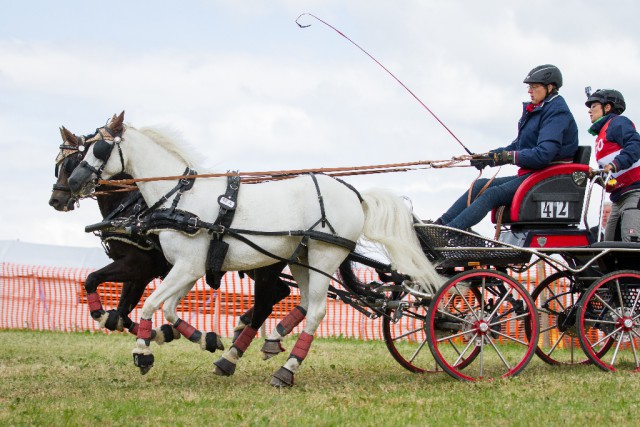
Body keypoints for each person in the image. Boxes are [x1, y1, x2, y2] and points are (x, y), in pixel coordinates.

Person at [435, 64, 579, 232]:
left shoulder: (556, 113)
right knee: (479, 185)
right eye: (529, 87)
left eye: (534, 87)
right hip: (535, 174)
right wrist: (489, 157)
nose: (529, 91)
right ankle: (439, 225)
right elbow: (518, 145)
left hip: (549, 177)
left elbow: (543, 155)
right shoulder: (540, 110)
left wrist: (508, 157)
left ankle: (448, 232)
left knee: (491, 195)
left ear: (550, 87)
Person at [586, 89, 640, 242]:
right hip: (618, 197)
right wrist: (595, 176)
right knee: (609, 244)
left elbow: (635, 145)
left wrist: (615, 164)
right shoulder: (600, 136)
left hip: (635, 193)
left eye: (594, 105)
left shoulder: (617, 123)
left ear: (607, 107)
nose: (590, 111)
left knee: (631, 243)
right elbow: (611, 176)